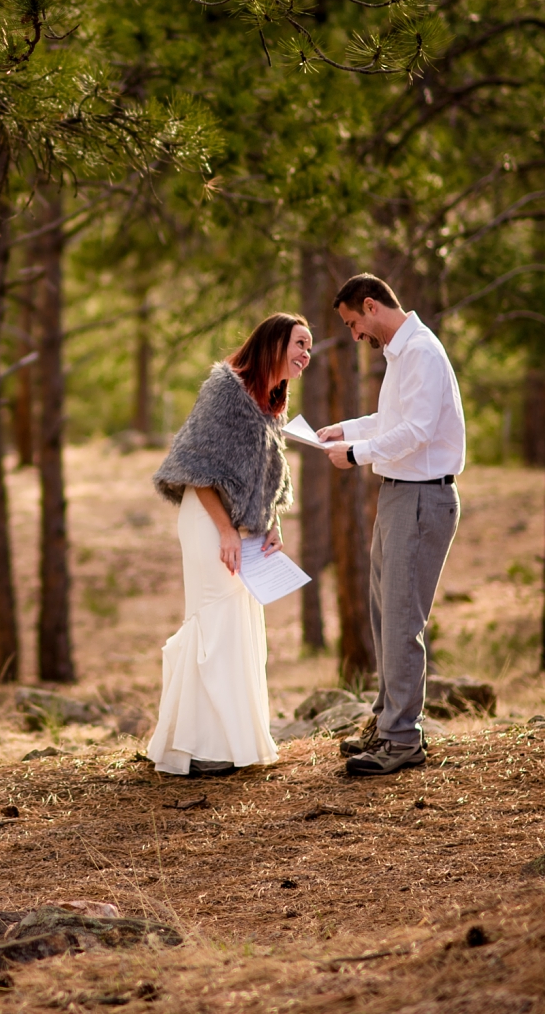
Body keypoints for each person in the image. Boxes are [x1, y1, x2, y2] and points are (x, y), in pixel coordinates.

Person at [147, 313, 313, 777]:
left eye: (310, 348)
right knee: (213, 620)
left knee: (241, 625)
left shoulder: (270, 401)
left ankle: (231, 742)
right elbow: (199, 470)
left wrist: (270, 523)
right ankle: (199, 748)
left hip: (242, 527)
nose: (306, 355)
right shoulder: (225, 390)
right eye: (300, 344)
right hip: (207, 521)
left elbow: (266, 475)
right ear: (274, 343)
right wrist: (225, 531)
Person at [318, 274, 466, 777]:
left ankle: (403, 739)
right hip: (400, 494)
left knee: (403, 619)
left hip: (423, 497)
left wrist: (357, 453)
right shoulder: (402, 354)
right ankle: (387, 724)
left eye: (354, 323)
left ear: (371, 305)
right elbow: (395, 419)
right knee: (385, 613)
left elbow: (420, 430)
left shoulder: (421, 351)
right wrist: (348, 429)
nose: (356, 334)